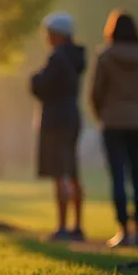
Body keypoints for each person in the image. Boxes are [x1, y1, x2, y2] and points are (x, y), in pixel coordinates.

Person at [90, 10, 138, 247]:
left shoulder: (105, 57)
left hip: (113, 122)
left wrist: (102, 115)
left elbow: (96, 92)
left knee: (118, 176)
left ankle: (123, 229)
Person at [30, 12, 86, 241]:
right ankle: (77, 225)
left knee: (59, 174)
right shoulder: (76, 58)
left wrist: (35, 79)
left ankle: (62, 226)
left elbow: (41, 86)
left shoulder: (57, 59)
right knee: (72, 172)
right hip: (72, 117)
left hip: (55, 120)